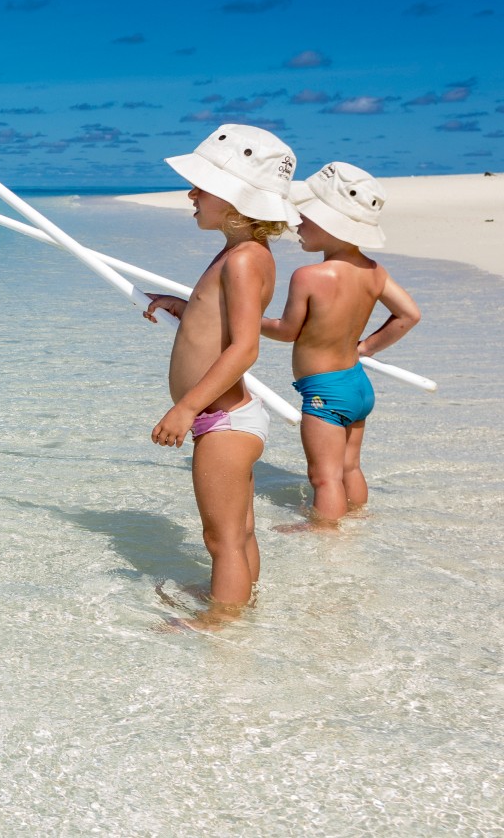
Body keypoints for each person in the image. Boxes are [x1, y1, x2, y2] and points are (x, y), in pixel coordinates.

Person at [144, 124, 299, 625]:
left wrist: (186, 407)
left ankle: (222, 624)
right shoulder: (239, 254)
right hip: (228, 419)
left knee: (222, 537)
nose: (191, 193)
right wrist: (185, 308)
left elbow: (245, 347)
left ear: (235, 203)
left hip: (223, 420)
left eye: (202, 187)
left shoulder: (244, 260)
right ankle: (236, 597)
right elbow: (222, 318)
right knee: (240, 530)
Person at [261, 162, 421, 529]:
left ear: (331, 224)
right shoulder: (374, 272)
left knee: (323, 476)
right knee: (349, 466)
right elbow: (409, 315)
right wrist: (366, 348)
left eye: (305, 218)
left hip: (324, 392)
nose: (297, 225)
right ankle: (357, 518)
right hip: (356, 384)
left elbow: (287, 331)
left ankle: (325, 533)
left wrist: (247, 320)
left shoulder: (309, 276)